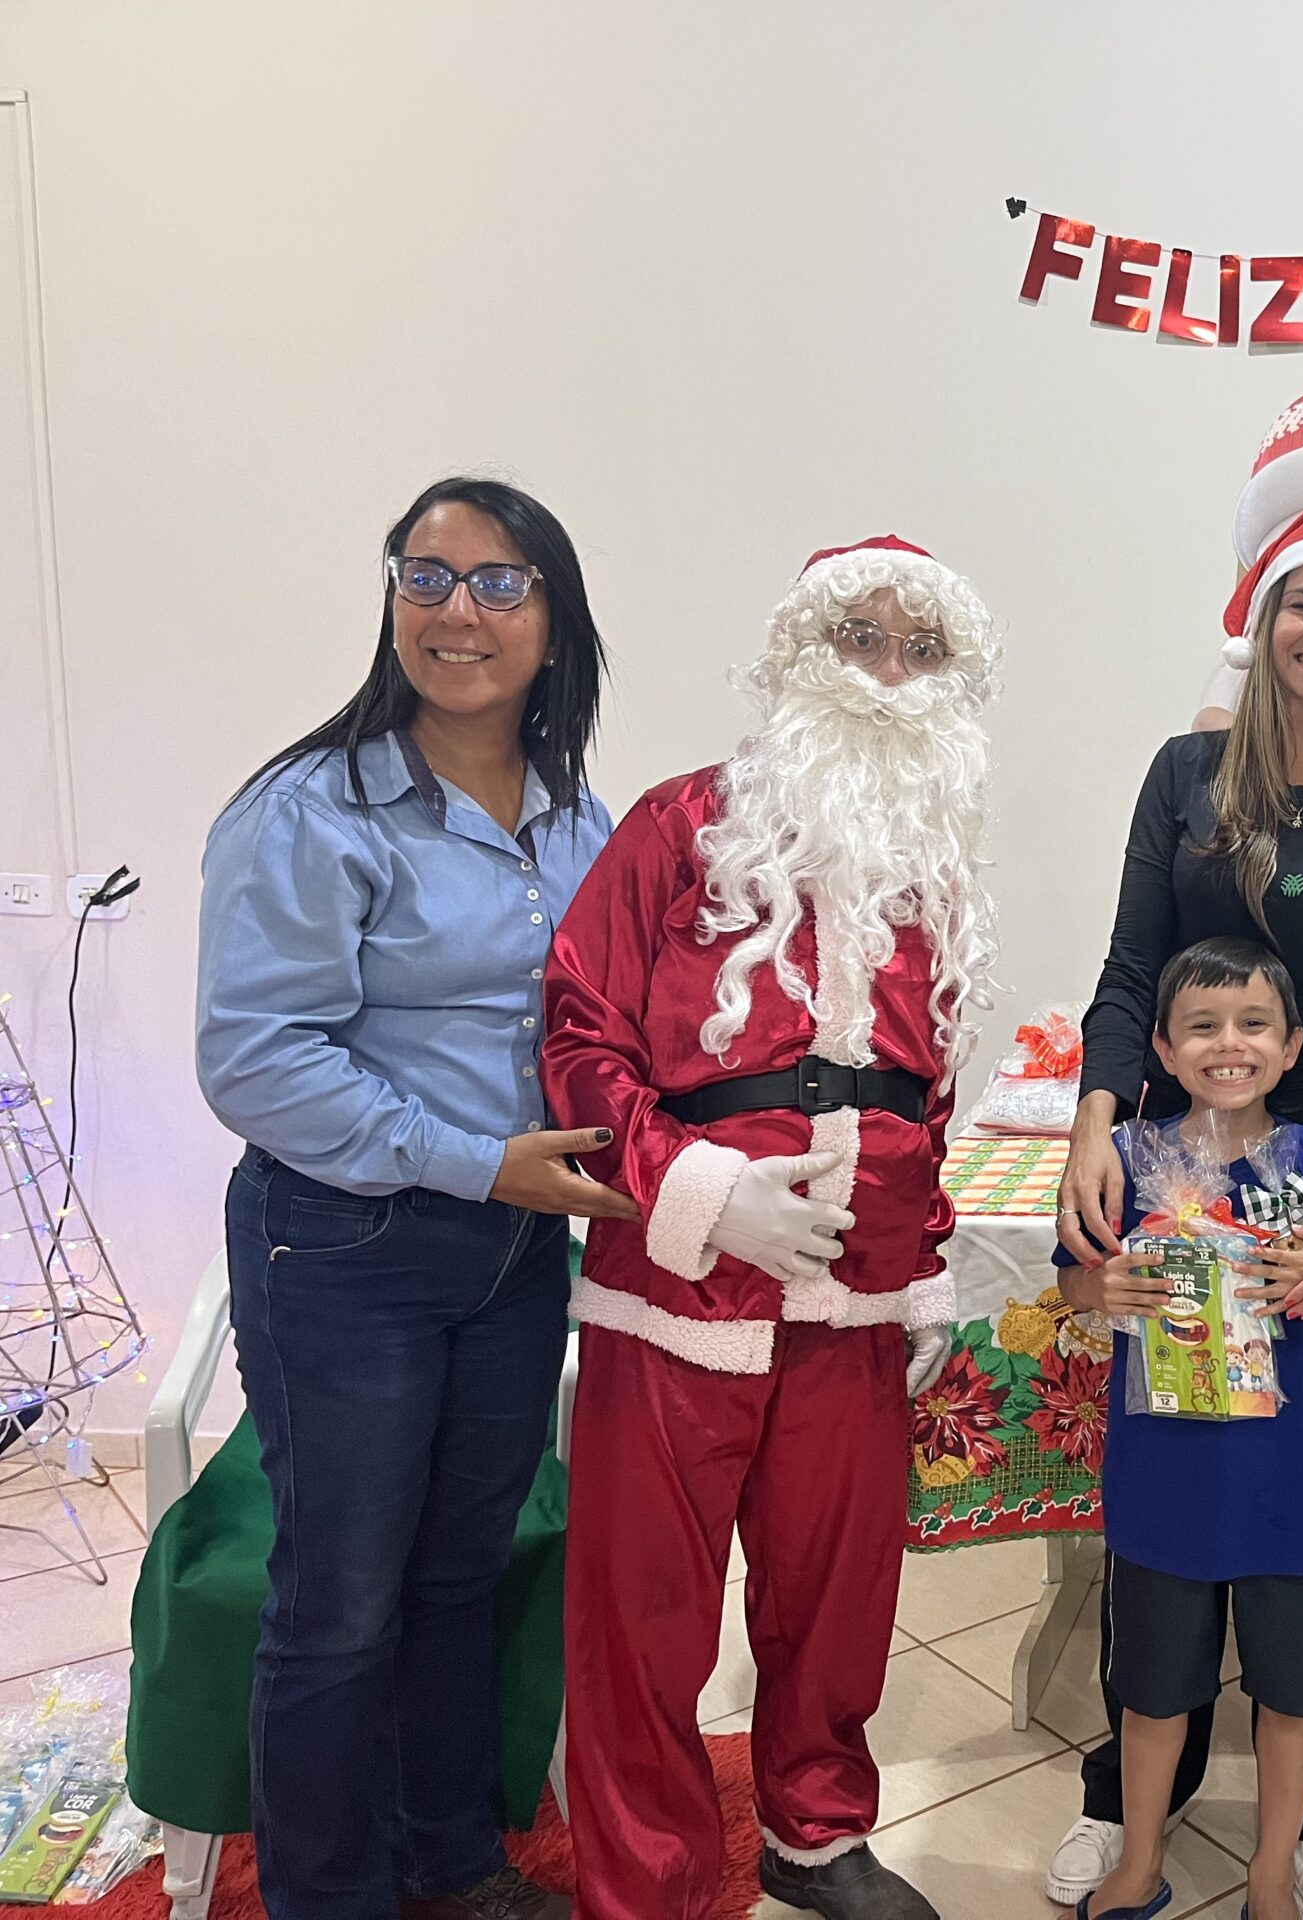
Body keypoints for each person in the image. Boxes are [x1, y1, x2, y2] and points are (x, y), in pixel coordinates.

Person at [538, 536, 1000, 1920]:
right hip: (677, 1284)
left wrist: (923, 1263)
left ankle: (816, 1834)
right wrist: (697, 1190)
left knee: (837, 1591)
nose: (890, 671)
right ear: (802, 652)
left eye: (921, 649)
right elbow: (578, 1036)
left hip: (857, 1290)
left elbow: (928, 1086)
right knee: (643, 1608)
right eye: (863, 637)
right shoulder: (678, 826)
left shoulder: (932, 872)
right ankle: (649, 1884)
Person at [196, 476, 626, 1920]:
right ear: (390, 604)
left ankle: (451, 1861)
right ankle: (328, 1897)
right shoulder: (309, 809)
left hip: (516, 1247)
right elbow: (255, 1061)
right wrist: (476, 1161)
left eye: (500, 583)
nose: (458, 611)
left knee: (458, 1574)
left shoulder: (578, 813)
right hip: (345, 1245)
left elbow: (605, 1020)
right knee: (339, 1605)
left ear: (554, 621)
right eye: (424, 577)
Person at [1052, 503, 1303, 1920]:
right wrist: (1096, 1127)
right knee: (1167, 1477)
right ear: (1263, 616)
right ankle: (1131, 1803)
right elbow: (1129, 968)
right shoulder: (1187, 774)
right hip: (1181, 1150)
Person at [1059, 937, 1303, 1920]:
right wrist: (1101, 1287)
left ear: (1292, 1046)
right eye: (1202, 1027)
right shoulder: (1125, 1164)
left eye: (1254, 1024)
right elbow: (1074, 1284)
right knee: (1151, 1692)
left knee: (1295, 1694)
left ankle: (1271, 1871)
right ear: (1163, 1052)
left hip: (1292, 1489)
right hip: (1161, 1487)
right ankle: (1139, 1859)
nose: (1229, 1044)